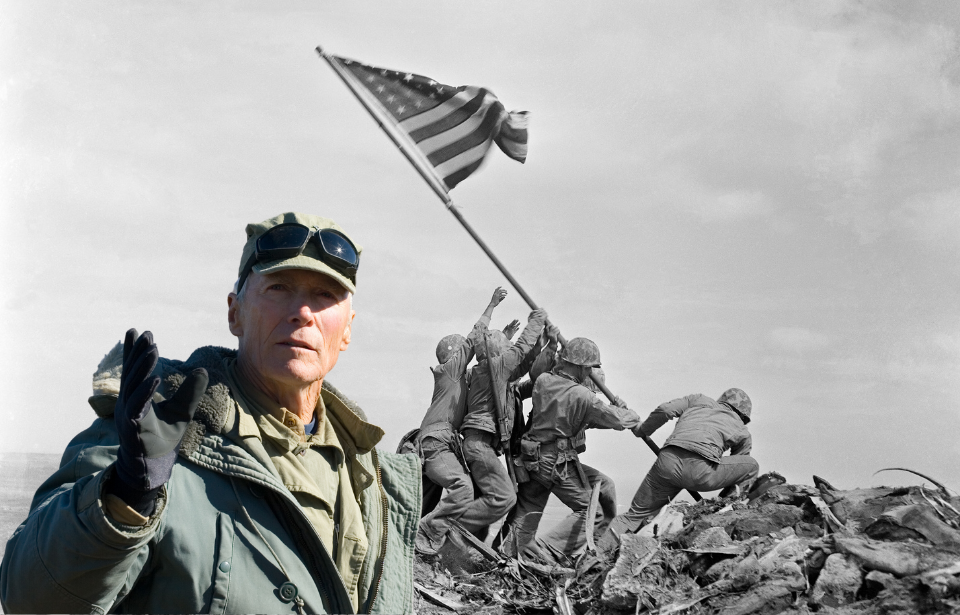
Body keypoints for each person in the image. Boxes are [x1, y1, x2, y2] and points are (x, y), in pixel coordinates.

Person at [1, 212, 421, 614]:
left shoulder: (372, 479)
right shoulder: (159, 429)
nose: (302, 312)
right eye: (279, 287)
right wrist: (124, 499)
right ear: (234, 311)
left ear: (346, 329)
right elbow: (31, 599)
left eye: (325, 295)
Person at [508, 338, 640, 559]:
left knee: (528, 510)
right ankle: (544, 554)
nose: (589, 372)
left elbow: (586, 416)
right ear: (579, 366)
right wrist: (628, 412)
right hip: (555, 461)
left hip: (533, 458)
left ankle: (510, 555)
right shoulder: (582, 396)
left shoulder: (544, 381)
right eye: (588, 368)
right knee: (591, 512)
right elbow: (617, 421)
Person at [598, 388, 758, 557]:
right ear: (743, 415)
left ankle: (596, 555)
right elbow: (737, 470)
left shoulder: (698, 400)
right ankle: (724, 513)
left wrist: (644, 430)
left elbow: (665, 410)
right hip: (701, 473)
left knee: (633, 516)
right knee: (751, 466)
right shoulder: (742, 431)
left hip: (666, 463)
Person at [415, 287, 508, 554]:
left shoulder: (460, 380)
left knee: (464, 490)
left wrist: (505, 339)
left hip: (444, 443)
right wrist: (491, 305)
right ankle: (427, 533)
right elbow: (475, 336)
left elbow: (487, 359)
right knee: (462, 488)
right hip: (436, 442)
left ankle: (452, 544)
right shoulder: (449, 371)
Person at [455, 308, 548, 535]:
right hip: (479, 444)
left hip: (481, 444)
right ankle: (451, 528)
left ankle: (461, 540)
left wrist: (542, 345)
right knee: (504, 497)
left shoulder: (489, 371)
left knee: (490, 501)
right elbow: (521, 348)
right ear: (498, 352)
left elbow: (522, 364)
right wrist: (536, 321)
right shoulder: (494, 368)